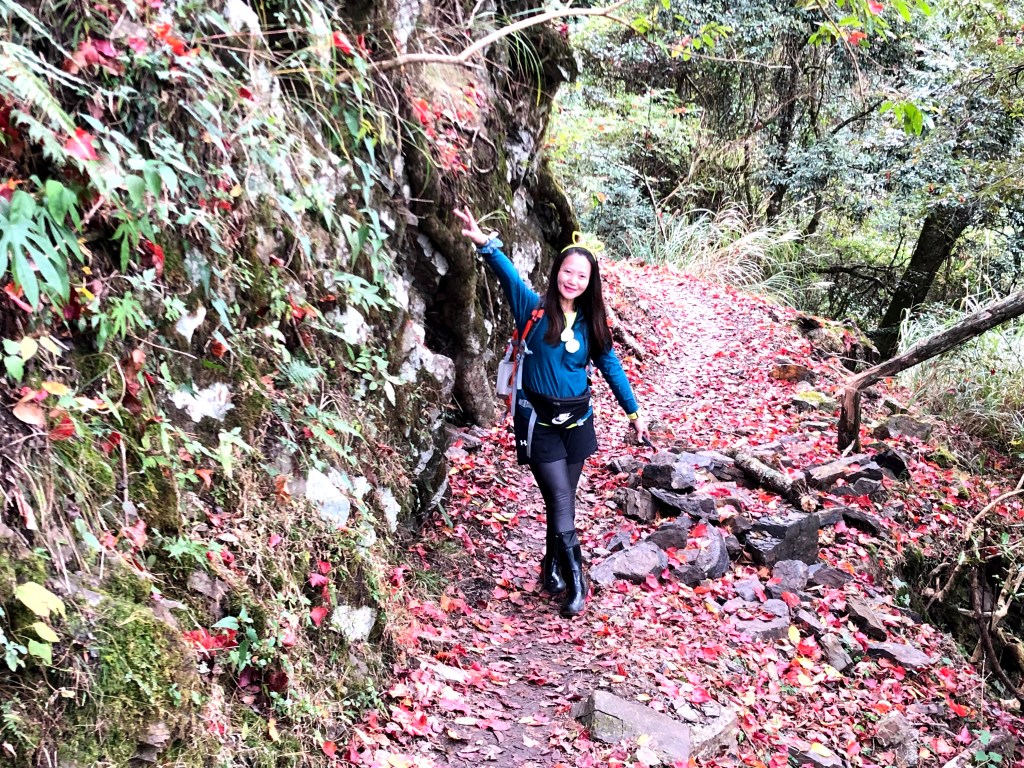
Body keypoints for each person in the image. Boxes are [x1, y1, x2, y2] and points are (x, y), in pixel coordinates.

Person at [453, 207, 649, 618]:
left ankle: (550, 566)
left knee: (563, 501)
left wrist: (634, 412)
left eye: (581, 276)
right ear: (557, 271)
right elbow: (508, 276)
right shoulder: (534, 309)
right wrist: (485, 243)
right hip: (538, 421)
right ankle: (578, 581)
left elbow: (611, 367)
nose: (572, 280)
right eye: (567, 271)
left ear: (591, 282)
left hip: (577, 422)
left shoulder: (592, 322)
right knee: (559, 497)